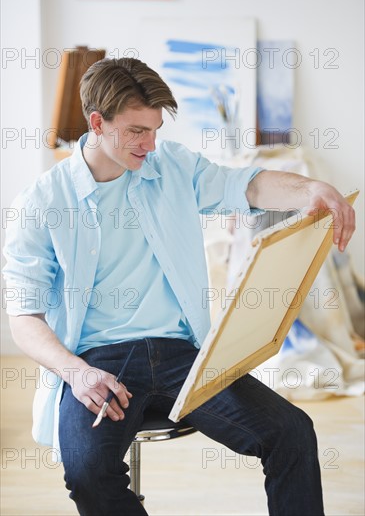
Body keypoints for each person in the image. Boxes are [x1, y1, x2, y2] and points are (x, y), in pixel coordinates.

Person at [3, 58, 355, 516]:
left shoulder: (170, 165)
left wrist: (310, 188)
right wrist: (75, 372)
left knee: (291, 431)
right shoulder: (42, 202)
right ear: (97, 123)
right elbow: (23, 316)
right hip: (96, 362)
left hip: (182, 356)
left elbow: (244, 186)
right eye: (136, 131)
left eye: (154, 129)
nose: (149, 144)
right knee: (88, 472)